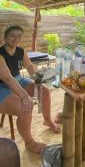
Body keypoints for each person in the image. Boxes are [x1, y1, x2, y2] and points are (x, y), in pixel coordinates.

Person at [0, 25, 60, 154]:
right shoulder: (0, 54)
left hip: (17, 80)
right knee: (24, 106)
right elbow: (7, 78)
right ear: (5, 38)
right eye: (12, 35)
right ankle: (29, 143)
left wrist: (39, 82)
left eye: (19, 35)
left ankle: (47, 120)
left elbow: (30, 68)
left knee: (44, 92)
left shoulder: (21, 51)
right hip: (2, 85)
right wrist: (24, 96)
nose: (16, 38)